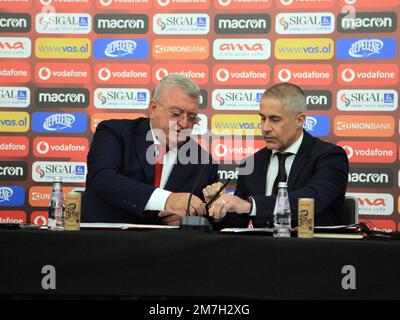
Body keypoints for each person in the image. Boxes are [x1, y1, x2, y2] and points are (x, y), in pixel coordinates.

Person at [203, 83, 349, 227]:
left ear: (299, 120)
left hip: (312, 249)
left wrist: (251, 205)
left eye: (275, 119)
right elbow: (236, 222)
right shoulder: (252, 163)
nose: (265, 128)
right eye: (262, 118)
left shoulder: (330, 156)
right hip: (262, 250)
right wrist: (218, 207)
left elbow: (310, 200)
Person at [82, 74, 218, 226]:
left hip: (170, 247)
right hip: (106, 242)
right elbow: (103, 179)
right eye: (176, 114)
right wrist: (167, 200)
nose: (185, 123)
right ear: (153, 108)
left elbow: (208, 219)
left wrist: (191, 219)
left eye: (192, 117)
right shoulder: (114, 132)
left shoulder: (204, 162)